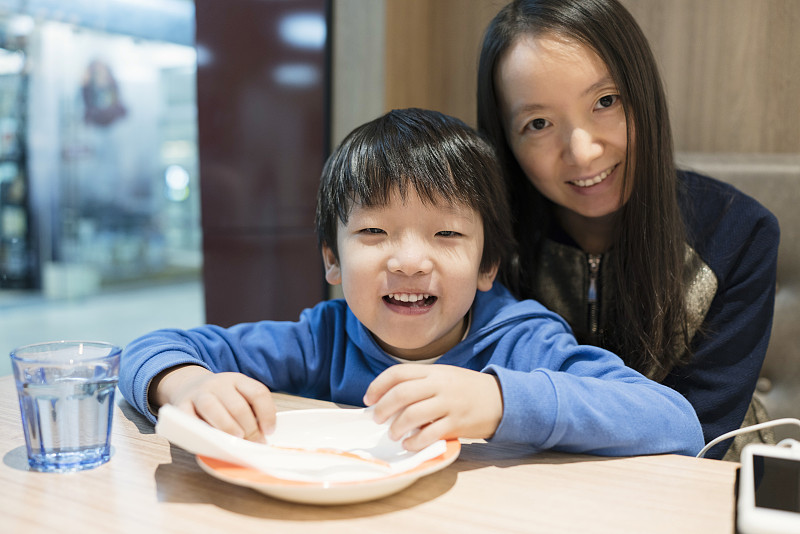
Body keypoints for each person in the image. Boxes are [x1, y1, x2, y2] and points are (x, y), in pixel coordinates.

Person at [118, 107, 703, 456]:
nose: (409, 261)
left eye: (446, 236)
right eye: (374, 232)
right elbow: (149, 349)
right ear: (332, 260)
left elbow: (674, 421)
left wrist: (499, 401)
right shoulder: (325, 336)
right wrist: (187, 384)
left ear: (486, 266)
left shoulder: (521, 342)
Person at [476, 0, 779, 460]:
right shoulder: (482, 239)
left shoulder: (739, 233)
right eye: (538, 123)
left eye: (605, 101)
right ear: (505, 139)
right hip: (534, 482)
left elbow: (702, 435)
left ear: (644, 93)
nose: (582, 152)